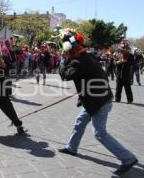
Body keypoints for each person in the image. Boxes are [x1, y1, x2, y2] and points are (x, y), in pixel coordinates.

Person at [58, 29, 138, 176]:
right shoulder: (88, 56)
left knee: (99, 133)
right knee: (80, 121)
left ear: (71, 50)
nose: (66, 53)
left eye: (66, 51)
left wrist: (63, 60)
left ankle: (128, 158)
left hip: (99, 102)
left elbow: (65, 75)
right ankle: (71, 147)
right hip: (95, 99)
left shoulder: (78, 62)